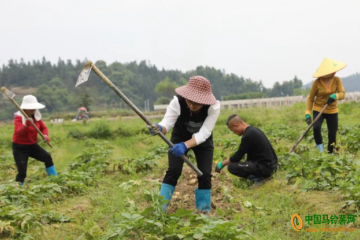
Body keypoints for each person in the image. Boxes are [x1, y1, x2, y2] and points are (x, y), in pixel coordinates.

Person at [148, 76, 220, 213]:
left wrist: (185, 145)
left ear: (204, 102)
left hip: (202, 140)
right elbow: (167, 124)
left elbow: (204, 133)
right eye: (190, 102)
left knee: (204, 174)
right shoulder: (177, 101)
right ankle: (159, 210)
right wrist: (158, 128)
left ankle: (204, 212)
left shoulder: (214, 107)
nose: (192, 106)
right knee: (174, 170)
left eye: (197, 104)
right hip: (180, 135)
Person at [215, 114, 277, 185]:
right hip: (271, 166)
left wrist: (222, 163)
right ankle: (259, 176)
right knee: (245, 163)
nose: (234, 133)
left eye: (232, 130)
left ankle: (260, 178)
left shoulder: (248, 135)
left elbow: (237, 157)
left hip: (265, 168)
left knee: (232, 167)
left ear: (236, 125)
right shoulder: (254, 130)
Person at [12, 95, 57, 186]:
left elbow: (43, 128)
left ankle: (54, 180)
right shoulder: (19, 118)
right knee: (22, 172)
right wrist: (26, 125)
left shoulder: (36, 116)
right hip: (20, 147)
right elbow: (18, 132)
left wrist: (45, 135)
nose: (33, 109)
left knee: (47, 157)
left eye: (34, 107)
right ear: (24, 108)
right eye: (30, 108)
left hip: (32, 146)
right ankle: (18, 191)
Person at [305, 58, 346, 153]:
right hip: (319, 108)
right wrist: (307, 112)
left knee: (332, 134)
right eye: (331, 71)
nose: (334, 73)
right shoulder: (317, 83)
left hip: (332, 110)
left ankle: (330, 153)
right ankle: (320, 150)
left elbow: (342, 94)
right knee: (316, 127)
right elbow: (311, 98)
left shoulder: (337, 80)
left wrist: (335, 95)